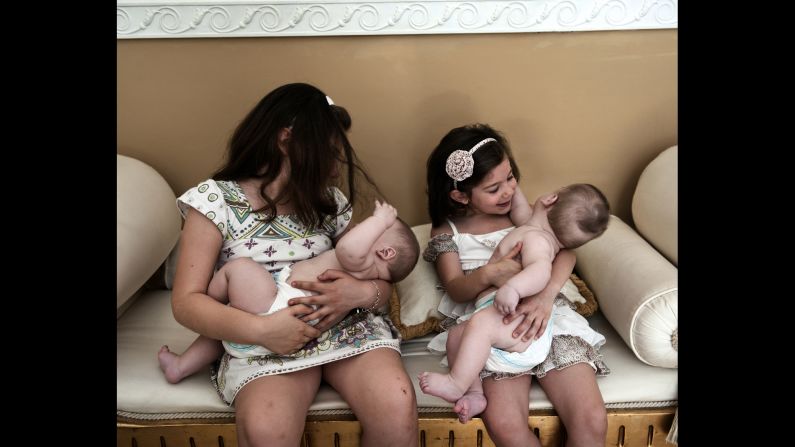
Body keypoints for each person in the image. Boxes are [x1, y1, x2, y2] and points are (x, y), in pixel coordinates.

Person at [166, 83, 418, 447]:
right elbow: (186, 303)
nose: (335, 171)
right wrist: (262, 331)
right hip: (264, 335)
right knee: (269, 428)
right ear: (287, 140)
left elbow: (382, 278)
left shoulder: (328, 202)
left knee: (396, 401)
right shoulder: (214, 201)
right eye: (330, 155)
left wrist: (358, 293)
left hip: (344, 329)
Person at [420, 123, 610, 446]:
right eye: (493, 189)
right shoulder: (446, 233)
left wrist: (547, 298)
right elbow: (454, 287)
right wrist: (489, 274)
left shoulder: (522, 216)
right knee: (506, 426)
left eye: (510, 178)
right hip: (492, 324)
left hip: (546, 314)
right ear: (459, 195)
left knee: (591, 418)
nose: (507, 191)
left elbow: (566, 256)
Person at [158, 200, 419, 381]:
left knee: (240, 268)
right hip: (291, 315)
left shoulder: (360, 260)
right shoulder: (366, 269)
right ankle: (180, 367)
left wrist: (380, 219)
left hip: (283, 304)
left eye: (375, 231)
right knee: (225, 330)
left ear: (385, 252)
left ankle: (212, 299)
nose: (361, 228)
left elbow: (348, 248)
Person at [418, 183, 609, 410]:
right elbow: (522, 210)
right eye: (497, 185)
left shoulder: (538, 239)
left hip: (517, 317)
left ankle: (456, 384)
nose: (508, 191)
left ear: (550, 199)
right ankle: (474, 392)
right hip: (502, 315)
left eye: (510, 180)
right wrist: (517, 189)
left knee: (481, 325)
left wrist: (514, 288)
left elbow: (540, 271)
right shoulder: (532, 223)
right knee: (457, 336)